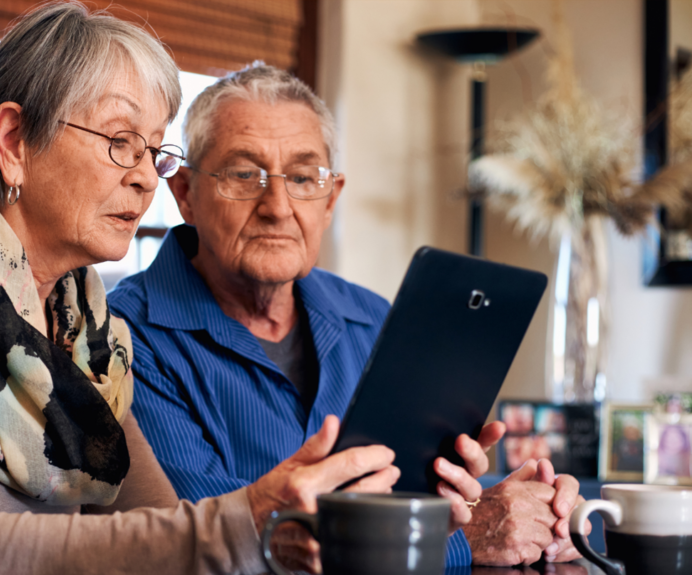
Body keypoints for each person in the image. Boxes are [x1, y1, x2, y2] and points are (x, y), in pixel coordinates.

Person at [0, 5, 491, 574]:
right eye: (118, 141)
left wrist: (290, 530)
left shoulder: (88, 330)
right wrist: (244, 516)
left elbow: (166, 527)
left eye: (152, 149)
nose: (144, 176)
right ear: (14, 142)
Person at [108, 63, 588, 570]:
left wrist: (525, 513)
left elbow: (421, 494)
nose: (277, 206)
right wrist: (466, 538)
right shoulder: (122, 336)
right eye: (244, 174)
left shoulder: (372, 318)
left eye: (302, 177)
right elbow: (210, 543)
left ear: (331, 198)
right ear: (185, 193)